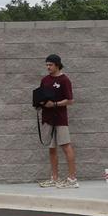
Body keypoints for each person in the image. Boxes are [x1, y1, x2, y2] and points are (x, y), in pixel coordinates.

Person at [38, 53, 78, 188]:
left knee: (66, 146)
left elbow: (70, 100)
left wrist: (54, 104)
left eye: (50, 65)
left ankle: (72, 179)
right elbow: (41, 96)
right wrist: (39, 104)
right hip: (47, 118)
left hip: (60, 119)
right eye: (47, 65)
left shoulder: (64, 80)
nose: (48, 67)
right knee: (52, 148)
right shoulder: (45, 80)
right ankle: (54, 178)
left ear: (57, 65)